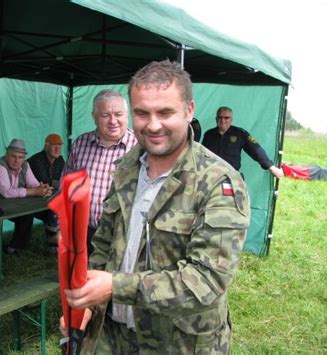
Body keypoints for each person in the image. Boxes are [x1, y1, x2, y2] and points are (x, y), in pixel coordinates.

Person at [60, 60, 250, 353]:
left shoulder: (218, 182)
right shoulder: (125, 167)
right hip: (112, 334)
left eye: (165, 112)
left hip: (176, 342)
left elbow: (205, 282)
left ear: (189, 110)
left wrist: (115, 286)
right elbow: (104, 243)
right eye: (141, 113)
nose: (152, 124)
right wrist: (91, 303)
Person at [62, 89, 137, 254]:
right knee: (83, 276)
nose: (113, 121)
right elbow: (67, 184)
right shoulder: (81, 143)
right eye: (105, 115)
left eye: (118, 114)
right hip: (84, 231)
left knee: (115, 279)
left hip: (123, 235)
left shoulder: (141, 147)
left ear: (127, 115)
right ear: (94, 117)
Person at [0, 138, 53, 267]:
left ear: (24, 158)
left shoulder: (25, 165)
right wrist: (34, 191)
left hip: (4, 205)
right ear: (6, 154)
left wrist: (43, 189)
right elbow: (7, 192)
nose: (16, 160)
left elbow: (33, 184)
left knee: (26, 214)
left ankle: (15, 248)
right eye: (13, 156)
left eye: (20, 157)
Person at [202, 106, 284, 178]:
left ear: (231, 120)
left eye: (226, 118)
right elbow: (202, 155)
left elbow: (255, 150)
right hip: (211, 176)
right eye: (220, 117)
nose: (222, 120)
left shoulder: (240, 134)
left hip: (231, 176)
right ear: (216, 119)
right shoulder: (208, 134)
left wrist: (271, 167)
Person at [28, 133, 65, 250]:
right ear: (46, 146)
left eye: (59, 145)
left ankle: (59, 241)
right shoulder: (36, 160)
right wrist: (60, 184)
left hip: (48, 197)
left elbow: (64, 177)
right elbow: (43, 181)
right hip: (30, 199)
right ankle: (53, 244)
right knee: (54, 211)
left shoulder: (60, 160)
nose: (57, 148)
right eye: (54, 145)